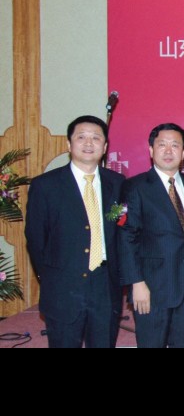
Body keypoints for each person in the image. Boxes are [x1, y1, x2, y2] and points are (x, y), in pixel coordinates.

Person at [25, 116, 125, 348]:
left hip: (105, 284)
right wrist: (52, 276)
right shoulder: (45, 185)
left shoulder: (118, 183)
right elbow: (36, 239)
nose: (89, 143)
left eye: (96, 138)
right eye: (81, 137)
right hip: (63, 285)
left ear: (105, 147)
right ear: (69, 144)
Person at [118, 124, 184, 348]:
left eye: (175, 145)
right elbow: (126, 238)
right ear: (151, 150)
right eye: (162, 145)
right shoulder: (135, 187)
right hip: (151, 288)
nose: (169, 151)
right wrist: (136, 283)